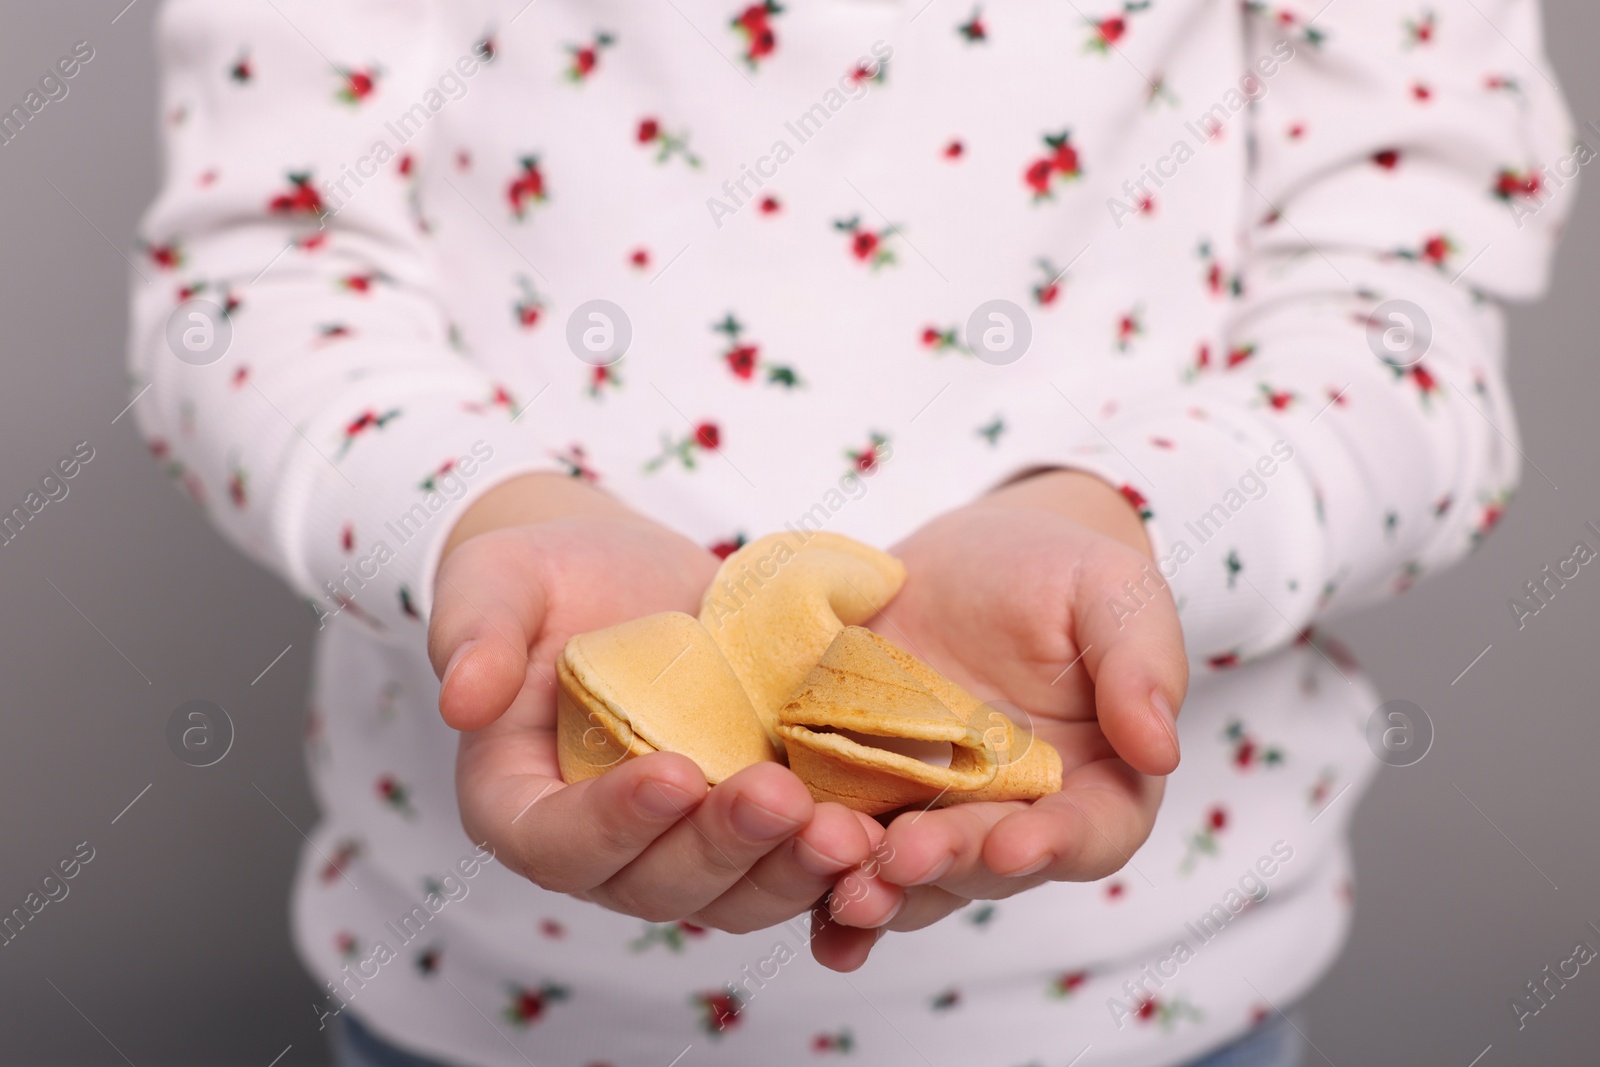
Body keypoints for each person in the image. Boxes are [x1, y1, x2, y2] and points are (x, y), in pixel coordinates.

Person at [129, 1, 1575, 1064]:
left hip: (1153, 1009)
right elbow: (256, 274)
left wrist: (1139, 537)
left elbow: (1401, 318)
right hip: (478, 997)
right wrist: (470, 518)